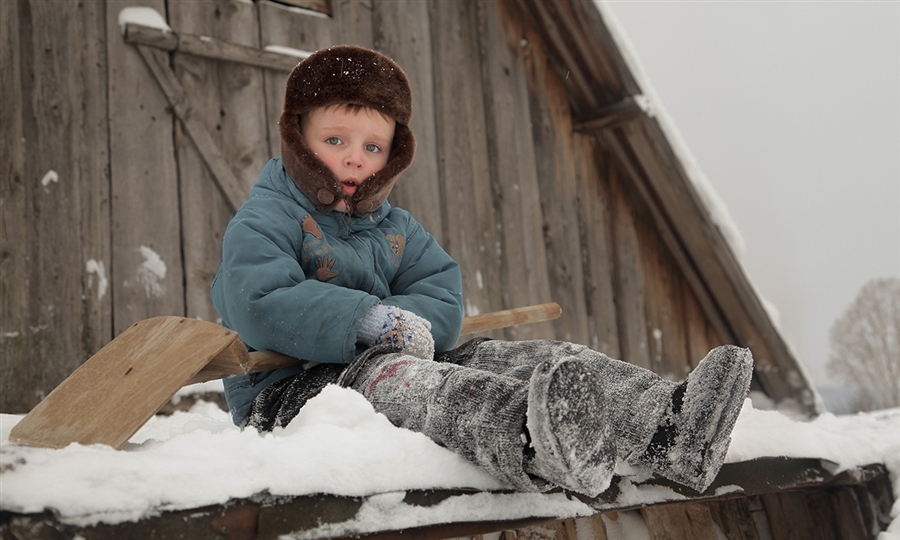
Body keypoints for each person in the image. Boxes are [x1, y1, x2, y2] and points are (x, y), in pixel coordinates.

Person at [211, 45, 753, 498]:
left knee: (529, 358)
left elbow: (442, 297)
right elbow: (259, 302)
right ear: (297, 138)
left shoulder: (395, 227)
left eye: (372, 146)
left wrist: (406, 323)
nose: (356, 159)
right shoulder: (264, 220)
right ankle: (538, 442)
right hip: (292, 392)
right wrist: (366, 320)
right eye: (336, 140)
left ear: (392, 155)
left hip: (397, 357)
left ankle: (669, 427)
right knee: (421, 386)